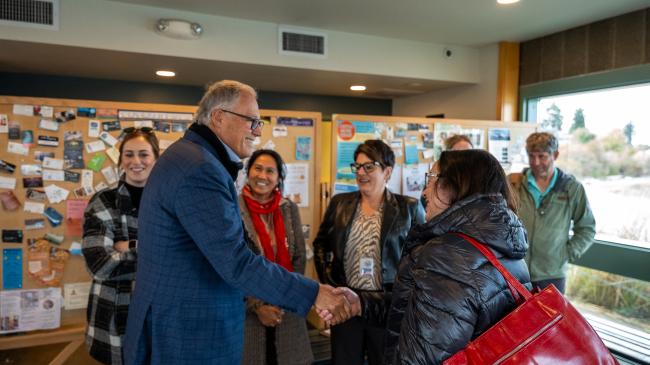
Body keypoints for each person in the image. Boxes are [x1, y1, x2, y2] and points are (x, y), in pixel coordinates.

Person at [123, 80, 353, 365]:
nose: (257, 132)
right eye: (252, 122)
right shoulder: (200, 169)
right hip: (187, 335)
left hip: (179, 324)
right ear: (219, 117)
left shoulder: (190, 157)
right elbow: (236, 262)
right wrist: (315, 292)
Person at [377, 149, 530, 364]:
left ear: (459, 186)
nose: (424, 192)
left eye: (431, 180)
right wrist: (362, 304)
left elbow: (424, 357)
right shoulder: (504, 245)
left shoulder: (446, 255)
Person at [314, 139, 425, 365]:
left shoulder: (409, 208)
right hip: (345, 303)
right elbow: (320, 245)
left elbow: (421, 257)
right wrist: (330, 286)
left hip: (385, 305)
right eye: (357, 167)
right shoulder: (340, 203)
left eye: (369, 166)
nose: (361, 173)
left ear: (387, 172)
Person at [82, 127, 160, 365]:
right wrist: (157, 253)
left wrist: (129, 245)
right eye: (129, 154)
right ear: (121, 159)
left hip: (159, 313)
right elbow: (100, 265)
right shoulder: (103, 202)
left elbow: (181, 255)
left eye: (144, 154)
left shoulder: (169, 202)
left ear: (156, 158)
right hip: (115, 316)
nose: (136, 161)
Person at [239, 149, 313, 365]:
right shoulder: (233, 207)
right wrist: (257, 307)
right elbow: (231, 266)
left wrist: (284, 299)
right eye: (258, 168)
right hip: (247, 315)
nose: (262, 176)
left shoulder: (288, 208)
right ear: (248, 171)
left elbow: (299, 258)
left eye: (270, 171)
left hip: (287, 311)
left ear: (279, 178)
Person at [508, 132, 595, 293]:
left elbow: (587, 228)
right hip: (515, 271)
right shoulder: (513, 184)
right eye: (531, 156)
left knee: (552, 319)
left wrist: (564, 254)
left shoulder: (572, 188)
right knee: (514, 318)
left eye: (542, 156)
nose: (535, 162)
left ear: (555, 155)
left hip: (552, 275)